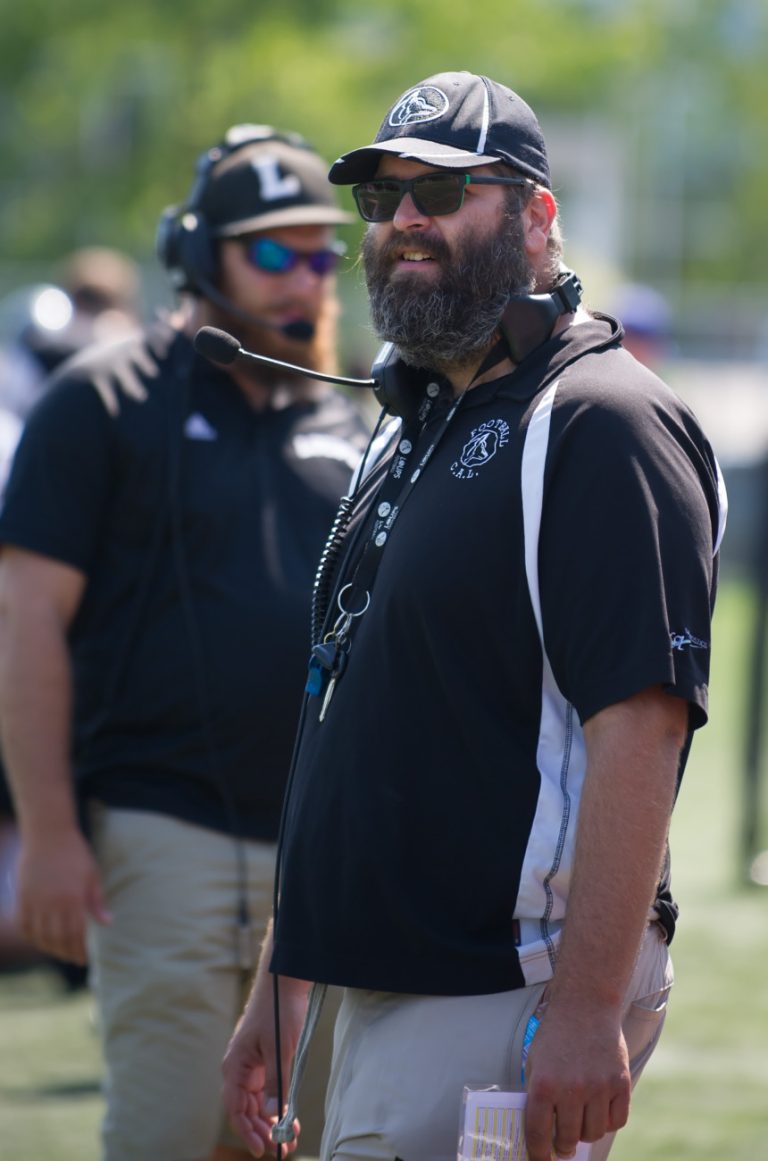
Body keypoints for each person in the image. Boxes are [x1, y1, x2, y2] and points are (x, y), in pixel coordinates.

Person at [221, 73, 728, 1161]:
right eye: (385, 193)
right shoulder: (415, 413)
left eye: (444, 190)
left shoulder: (600, 422)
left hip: (504, 981)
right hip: (379, 977)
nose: (406, 215)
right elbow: (353, 719)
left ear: (538, 216)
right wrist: (284, 986)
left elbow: (641, 726)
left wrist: (590, 1007)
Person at [0, 124, 368, 1161]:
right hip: (159, 832)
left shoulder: (359, 414)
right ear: (199, 257)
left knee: (298, 1141)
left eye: (319, 253)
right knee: (168, 1132)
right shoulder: (100, 402)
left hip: (323, 852)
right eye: (272, 252)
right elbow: (26, 623)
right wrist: (49, 831)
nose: (305, 278)